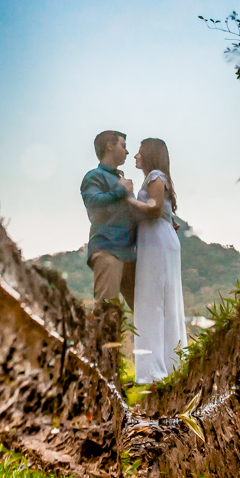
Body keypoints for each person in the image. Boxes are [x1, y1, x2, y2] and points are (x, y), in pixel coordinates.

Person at [126, 138, 187, 384]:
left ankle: (155, 372)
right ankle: (165, 367)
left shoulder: (155, 175)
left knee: (153, 302)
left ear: (149, 154)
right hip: (155, 242)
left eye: (139, 152)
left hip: (157, 244)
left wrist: (126, 196)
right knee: (158, 303)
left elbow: (153, 208)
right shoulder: (155, 177)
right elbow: (161, 210)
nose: (135, 156)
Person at [80, 130, 137, 308]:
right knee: (107, 312)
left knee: (146, 312)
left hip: (132, 255)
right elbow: (94, 204)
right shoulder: (93, 176)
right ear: (110, 146)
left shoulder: (121, 179)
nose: (127, 152)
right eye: (123, 146)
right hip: (108, 250)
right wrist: (121, 191)